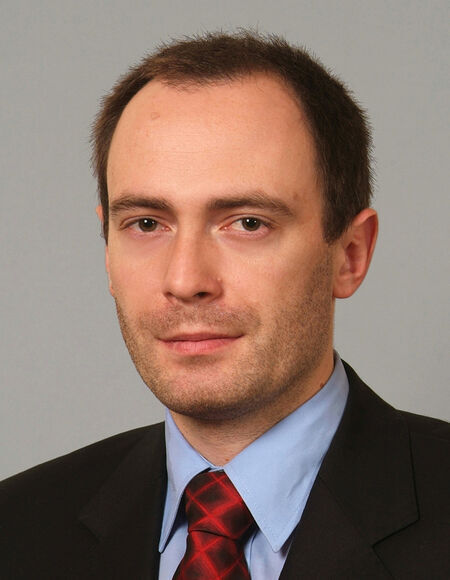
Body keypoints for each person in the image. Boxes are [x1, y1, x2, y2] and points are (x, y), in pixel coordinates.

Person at [1, 31, 448, 579]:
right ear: (108, 251)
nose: (185, 280)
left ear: (350, 255)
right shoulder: (15, 531)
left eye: (248, 223)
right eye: (147, 224)